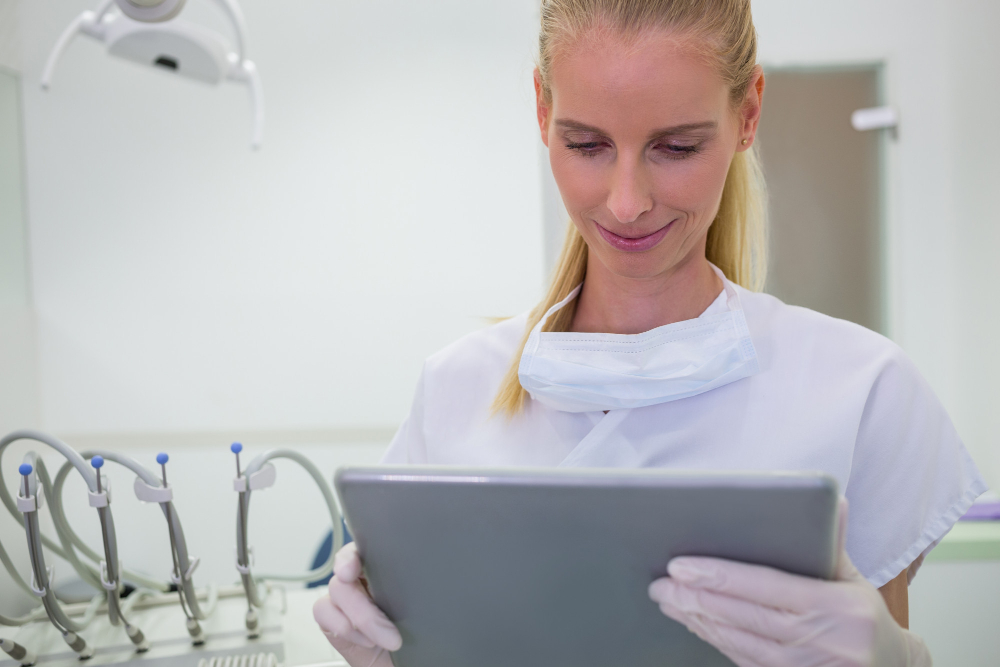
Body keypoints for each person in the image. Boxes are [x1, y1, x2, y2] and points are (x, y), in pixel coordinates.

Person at [312, 1, 988, 665]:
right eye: (586, 144)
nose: (627, 201)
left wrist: (895, 660)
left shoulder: (863, 390)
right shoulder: (457, 388)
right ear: (543, 110)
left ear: (748, 113)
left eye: (676, 147)